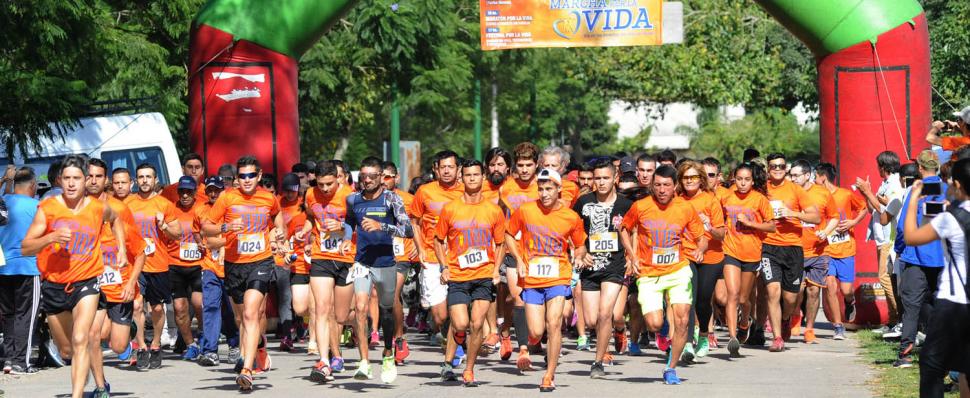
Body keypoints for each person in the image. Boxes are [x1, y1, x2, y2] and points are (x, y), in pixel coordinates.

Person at [22, 155, 128, 398]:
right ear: (60, 180)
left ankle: (77, 394)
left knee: (82, 338)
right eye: (66, 178)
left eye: (76, 178)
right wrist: (50, 238)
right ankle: (83, 372)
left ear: (85, 180)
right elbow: (26, 247)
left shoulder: (97, 207)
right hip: (55, 284)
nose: (71, 184)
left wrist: (121, 249)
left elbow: (116, 219)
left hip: (87, 281)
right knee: (68, 349)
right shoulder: (48, 208)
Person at [202, 155, 286, 390]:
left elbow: (278, 217)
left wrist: (280, 233)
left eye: (251, 175)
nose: (247, 180)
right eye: (242, 176)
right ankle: (258, 345)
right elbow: (206, 227)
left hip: (261, 262)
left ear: (259, 176)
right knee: (241, 318)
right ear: (237, 178)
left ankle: (247, 370)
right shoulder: (227, 197)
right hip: (234, 264)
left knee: (250, 314)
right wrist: (226, 227)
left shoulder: (268, 198)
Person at [620, 165, 706, 385]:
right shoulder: (640, 206)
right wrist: (632, 255)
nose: (661, 190)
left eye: (666, 185)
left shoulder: (685, 208)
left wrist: (700, 249)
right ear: (651, 185)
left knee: (683, 320)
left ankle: (671, 368)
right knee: (655, 324)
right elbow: (624, 229)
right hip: (649, 273)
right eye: (657, 185)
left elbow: (701, 237)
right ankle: (660, 333)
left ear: (675, 186)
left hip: (678, 270)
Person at [505, 168, 588, 392]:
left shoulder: (571, 216)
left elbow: (580, 245)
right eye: (540, 189)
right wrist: (519, 260)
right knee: (535, 331)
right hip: (532, 278)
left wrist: (579, 256)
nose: (544, 193)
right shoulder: (525, 210)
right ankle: (534, 344)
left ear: (559, 189)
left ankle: (549, 375)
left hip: (558, 276)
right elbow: (509, 234)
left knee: (554, 324)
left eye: (549, 189)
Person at [433, 159, 506, 386]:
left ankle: (469, 369)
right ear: (461, 178)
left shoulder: (493, 210)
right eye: (467, 175)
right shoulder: (451, 209)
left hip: (483, 276)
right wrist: (444, 267)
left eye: (476, 174)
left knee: (477, 324)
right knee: (461, 323)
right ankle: (453, 353)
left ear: (483, 177)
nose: (472, 178)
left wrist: (495, 270)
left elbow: (501, 243)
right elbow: (438, 240)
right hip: (458, 275)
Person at [902, 158, 970, 397]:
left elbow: (911, 236)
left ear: (959, 185)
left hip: (954, 301)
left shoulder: (950, 219)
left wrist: (913, 199)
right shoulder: (952, 212)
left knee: (932, 364)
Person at [343, 156, 413, 384]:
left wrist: (380, 225)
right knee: (361, 308)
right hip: (362, 262)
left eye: (372, 176)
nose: (367, 180)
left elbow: (408, 229)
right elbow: (349, 222)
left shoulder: (392, 199)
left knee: (386, 310)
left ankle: (388, 353)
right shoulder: (353, 200)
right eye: (363, 176)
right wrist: (346, 238)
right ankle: (364, 361)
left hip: (386, 263)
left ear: (381, 177)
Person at [85, 158, 147, 397]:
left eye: (98, 176)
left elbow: (139, 251)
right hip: (92, 287)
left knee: (118, 345)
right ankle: (101, 388)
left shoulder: (119, 210)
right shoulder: (77, 210)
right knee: (93, 336)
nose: (93, 180)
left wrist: (132, 283)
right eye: (89, 176)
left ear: (105, 179)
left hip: (120, 287)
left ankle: (128, 327)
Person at [573, 159, 633, 376]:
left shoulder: (626, 205)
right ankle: (615, 332)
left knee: (605, 313)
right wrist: (580, 252)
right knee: (591, 320)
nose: (601, 182)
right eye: (597, 178)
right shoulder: (583, 202)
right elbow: (573, 231)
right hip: (590, 267)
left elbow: (634, 231)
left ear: (615, 178)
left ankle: (598, 362)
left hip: (614, 266)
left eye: (606, 178)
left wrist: (631, 257)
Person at [299, 160, 356, 382]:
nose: (324, 189)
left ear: (338, 178)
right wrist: (304, 232)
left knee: (340, 315)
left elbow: (362, 223)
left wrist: (342, 228)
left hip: (346, 258)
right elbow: (311, 217)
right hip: (321, 256)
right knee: (322, 308)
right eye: (321, 184)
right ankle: (324, 361)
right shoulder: (311, 194)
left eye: (329, 184)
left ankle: (347, 339)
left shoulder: (350, 196)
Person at [892, 150, 947, 368]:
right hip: (942, 258)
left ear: (920, 169)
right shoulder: (949, 190)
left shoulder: (916, 191)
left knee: (911, 308)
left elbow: (903, 226)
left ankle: (905, 354)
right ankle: (940, 353)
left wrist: (898, 249)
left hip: (915, 257)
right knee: (940, 307)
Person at [125, 163, 183, 370]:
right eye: (141, 177)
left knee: (157, 308)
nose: (144, 181)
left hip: (158, 263)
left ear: (155, 179)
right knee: (137, 306)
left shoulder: (164, 204)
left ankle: (156, 344)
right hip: (135, 265)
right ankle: (141, 347)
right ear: (136, 180)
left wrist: (164, 226)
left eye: (148, 177)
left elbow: (178, 234)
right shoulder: (128, 203)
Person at [761, 153, 820, 351]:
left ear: (785, 168)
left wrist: (792, 213)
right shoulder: (762, 188)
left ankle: (786, 318)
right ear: (768, 169)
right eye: (773, 166)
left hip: (793, 248)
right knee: (772, 291)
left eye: (780, 166)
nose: (777, 169)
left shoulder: (795, 190)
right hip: (768, 247)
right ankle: (777, 337)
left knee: (790, 298)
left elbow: (816, 217)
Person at [721, 162, 775, 357]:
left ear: (752, 181)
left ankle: (745, 322)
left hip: (752, 253)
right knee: (732, 294)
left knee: (744, 298)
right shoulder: (726, 197)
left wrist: (751, 223)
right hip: (730, 251)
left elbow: (771, 227)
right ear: (734, 179)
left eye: (746, 180)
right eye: (739, 179)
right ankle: (733, 338)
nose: (742, 183)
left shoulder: (759, 200)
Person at [411, 151, 464, 347]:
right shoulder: (425, 191)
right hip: (432, 258)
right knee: (440, 315)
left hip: (460, 258)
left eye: (451, 167)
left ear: (458, 169)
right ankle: (446, 330)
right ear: (436, 169)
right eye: (443, 167)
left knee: (460, 311)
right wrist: (420, 248)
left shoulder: (467, 191)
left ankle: (455, 346)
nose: (447, 171)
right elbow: (414, 222)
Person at [677, 160, 726, 359]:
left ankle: (704, 335)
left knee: (703, 300)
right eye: (685, 177)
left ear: (701, 180)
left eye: (693, 177)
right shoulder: (677, 201)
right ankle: (687, 344)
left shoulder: (710, 200)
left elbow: (721, 234)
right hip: (686, 254)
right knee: (688, 298)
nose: (689, 181)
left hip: (711, 257)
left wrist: (708, 226)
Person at [499, 142, 540, 367]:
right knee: (517, 297)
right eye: (521, 165)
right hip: (513, 250)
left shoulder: (543, 187)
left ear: (536, 165)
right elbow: (501, 219)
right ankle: (523, 349)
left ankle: (527, 334)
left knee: (536, 301)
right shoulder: (506, 189)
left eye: (529, 165)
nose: (524, 169)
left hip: (540, 251)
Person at [788, 160, 838, 344]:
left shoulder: (822, 193)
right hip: (795, 250)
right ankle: (795, 315)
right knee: (797, 290)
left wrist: (826, 232)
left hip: (819, 251)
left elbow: (834, 217)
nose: (791, 178)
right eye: (790, 175)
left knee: (814, 291)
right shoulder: (788, 193)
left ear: (807, 176)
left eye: (795, 175)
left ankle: (809, 328)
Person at [857, 151, 904, 333]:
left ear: (883, 167)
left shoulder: (895, 184)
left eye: (878, 166)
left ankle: (899, 319)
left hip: (889, 238)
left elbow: (886, 212)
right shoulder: (884, 183)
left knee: (886, 279)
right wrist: (866, 193)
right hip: (880, 237)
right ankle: (893, 321)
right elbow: (873, 208)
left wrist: (868, 192)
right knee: (887, 279)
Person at [0, 167, 41, 375]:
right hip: (27, 266)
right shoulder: (37, 206)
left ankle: (7, 360)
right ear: (33, 186)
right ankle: (20, 362)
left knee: (8, 315)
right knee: (26, 315)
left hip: (3, 267)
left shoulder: (4, 202)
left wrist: (4, 180)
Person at [164, 176, 207, 360]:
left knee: (199, 303)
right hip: (175, 264)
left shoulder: (202, 209)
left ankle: (205, 335)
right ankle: (190, 345)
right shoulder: (171, 209)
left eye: (189, 191)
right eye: (182, 191)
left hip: (198, 265)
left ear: (195, 192)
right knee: (180, 308)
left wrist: (204, 243)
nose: (185, 195)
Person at [196, 176, 237, 367]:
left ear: (223, 190)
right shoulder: (201, 210)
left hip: (230, 265)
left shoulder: (232, 209)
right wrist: (201, 242)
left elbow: (221, 239)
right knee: (211, 305)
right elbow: (201, 233)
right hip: (209, 266)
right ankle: (210, 350)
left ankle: (234, 344)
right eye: (210, 190)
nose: (213, 193)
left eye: (217, 190)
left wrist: (222, 242)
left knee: (229, 309)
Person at [382, 161, 418, 366]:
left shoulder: (408, 199)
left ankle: (399, 340)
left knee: (392, 293)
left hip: (400, 253)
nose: (385, 180)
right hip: (377, 253)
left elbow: (417, 222)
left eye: (389, 176)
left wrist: (416, 243)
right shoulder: (371, 199)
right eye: (382, 176)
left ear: (397, 177)